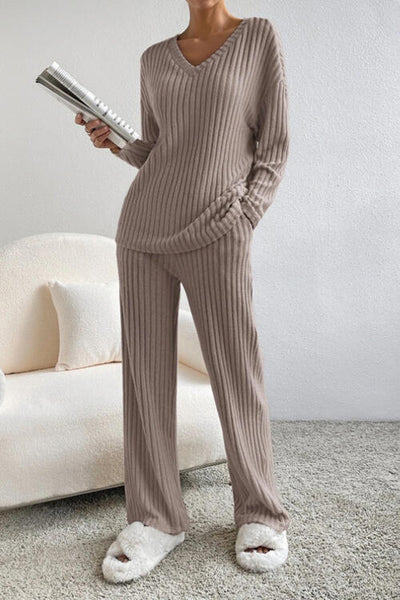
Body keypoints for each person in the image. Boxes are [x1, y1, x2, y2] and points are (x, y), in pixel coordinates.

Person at [75, 1, 290, 583]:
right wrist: (115, 142)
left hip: (220, 229)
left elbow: (273, 145)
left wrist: (246, 214)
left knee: (236, 369)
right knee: (145, 378)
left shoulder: (258, 38)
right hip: (142, 230)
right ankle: (156, 518)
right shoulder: (154, 59)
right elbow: (160, 150)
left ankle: (260, 511)